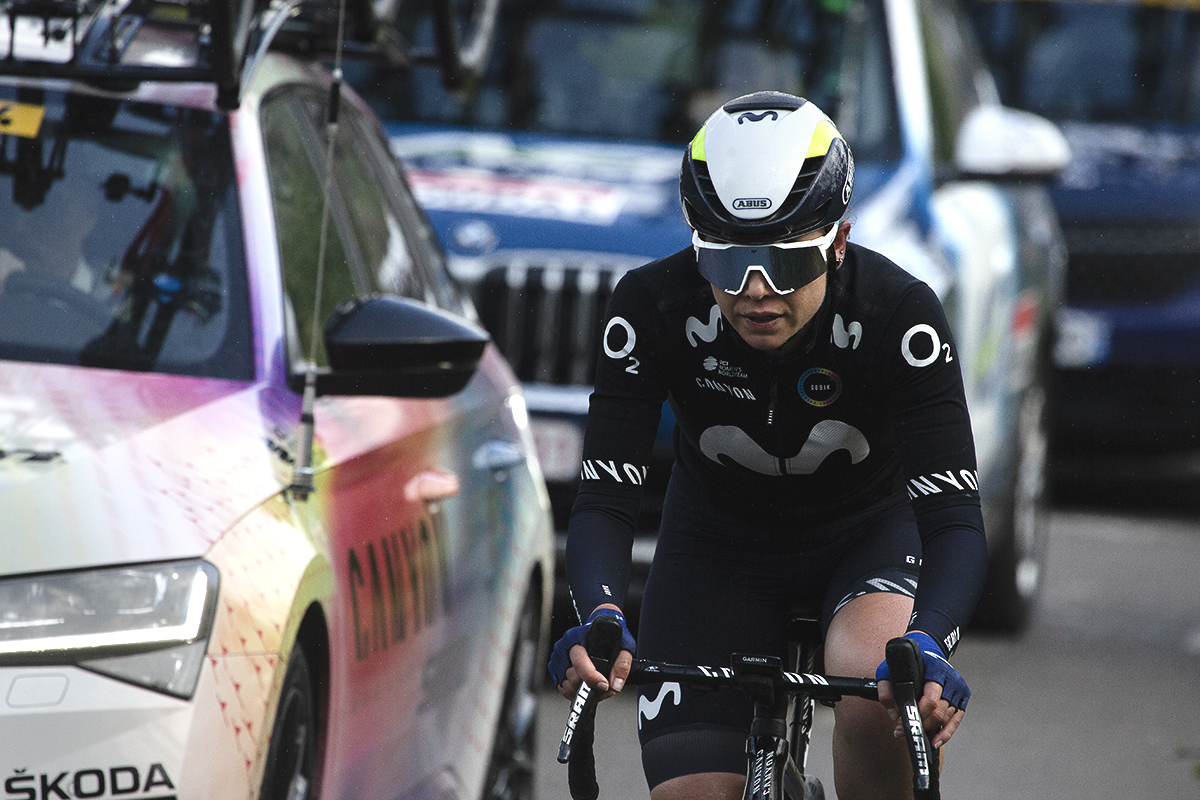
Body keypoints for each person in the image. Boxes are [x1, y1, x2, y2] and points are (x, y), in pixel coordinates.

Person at [548, 91, 988, 800]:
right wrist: (599, 612)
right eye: (727, 263)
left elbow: (955, 521)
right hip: (717, 545)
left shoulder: (898, 315)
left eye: (785, 264)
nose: (756, 291)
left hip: (866, 536)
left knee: (879, 699)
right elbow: (604, 497)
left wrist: (931, 643)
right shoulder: (649, 306)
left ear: (838, 242)